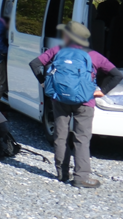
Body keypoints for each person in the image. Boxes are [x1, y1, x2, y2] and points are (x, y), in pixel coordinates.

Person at [30, 21, 123, 188]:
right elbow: (116, 74)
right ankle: (81, 177)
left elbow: (35, 64)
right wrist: (102, 91)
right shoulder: (93, 55)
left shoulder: (57, 50)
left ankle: (62, 173)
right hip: (85, 101)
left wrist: (44, 83)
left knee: (60, 136)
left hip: (59, 100)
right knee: (82, 139)